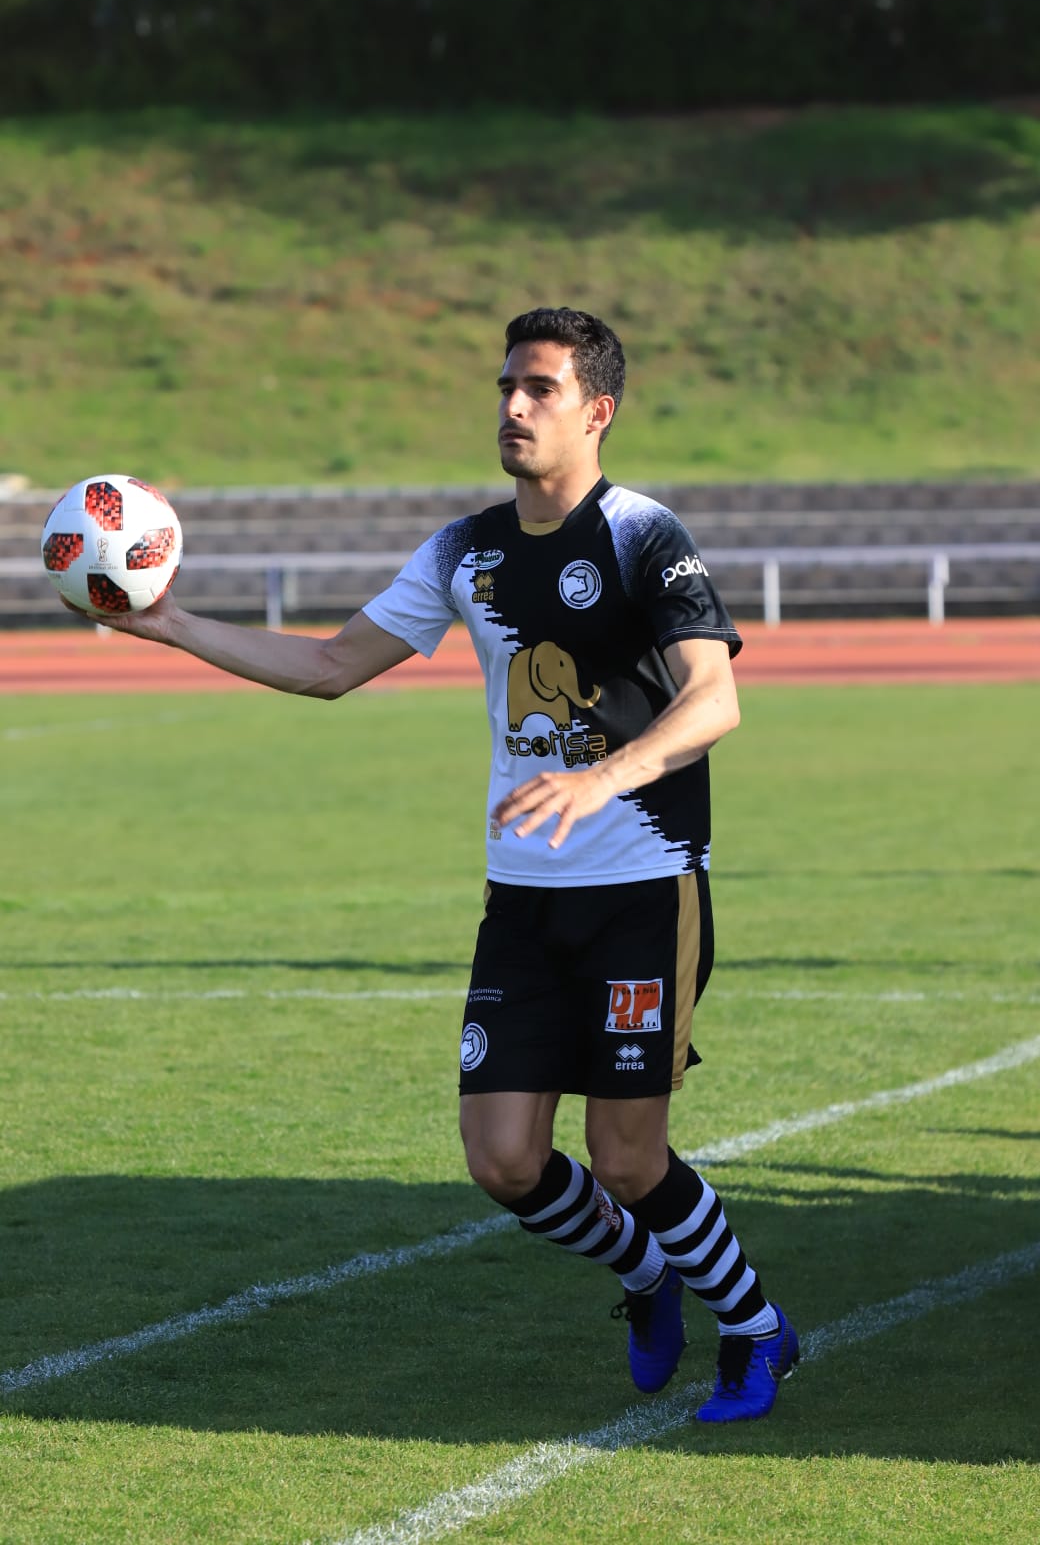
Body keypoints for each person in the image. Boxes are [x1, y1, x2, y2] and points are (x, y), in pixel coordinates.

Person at [79, 307, 798, 1422]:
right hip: (520, 897)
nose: (512, 407)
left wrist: (600, 779)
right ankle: (647, 1277)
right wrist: (169, 625)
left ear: (595, 411)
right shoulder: (465, 549)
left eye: (539, 389)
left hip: (641, 891)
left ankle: (753, 1329)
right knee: (504, 1162)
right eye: (505, 385)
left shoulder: (643, 536)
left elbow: (715, 697)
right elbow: (328, 664)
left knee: (625, 1159)